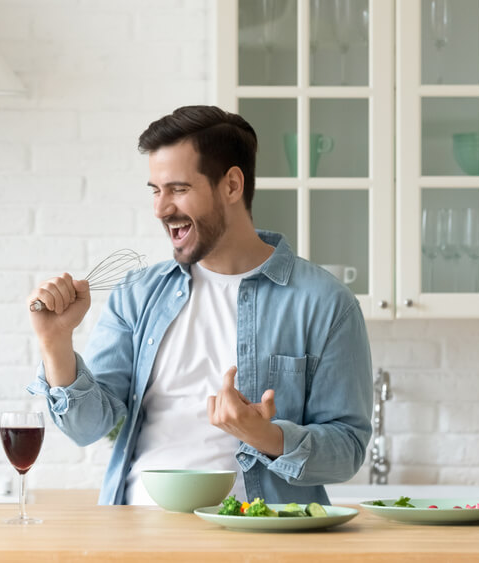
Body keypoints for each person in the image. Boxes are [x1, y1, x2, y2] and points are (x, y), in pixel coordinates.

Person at [27, 105, 373, 505]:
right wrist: (55, 343)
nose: (160, 208)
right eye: (156, 191)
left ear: (231, 186)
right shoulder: (137, 294)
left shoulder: (325, 302)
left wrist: (267, 436)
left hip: (258, 534)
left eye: (178, 189)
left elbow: (347, 450)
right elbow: (87, 429)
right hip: (139, 532)